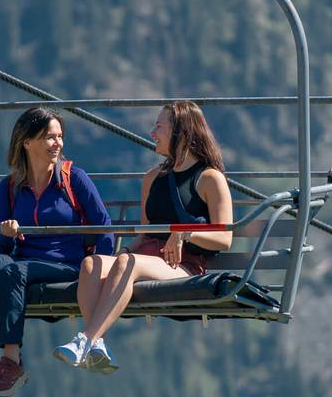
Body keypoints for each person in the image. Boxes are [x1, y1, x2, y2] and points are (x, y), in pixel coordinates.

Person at [0, 107, 113, 397]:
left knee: (13, 270)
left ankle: (11, 361)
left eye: (60, 137)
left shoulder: (73, 179)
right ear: (26, 142)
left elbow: (103, 226)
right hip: (24, 261)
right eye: (49, 137)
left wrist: (101, 273)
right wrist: (8, 235)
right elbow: (3, 249)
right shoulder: (11, 187)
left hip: (67, 264)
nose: (58, 144)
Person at [55, 101, 233, 373]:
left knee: (129, 263)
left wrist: (184, 233)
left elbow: (224, 239)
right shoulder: (152, 178)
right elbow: (146, 232)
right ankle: (97, 346)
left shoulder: (209, 178)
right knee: (92, 264)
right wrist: (122, 253)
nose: (152, 133)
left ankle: (86, 339)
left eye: (159, 126)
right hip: (147, 258)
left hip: (183, 266)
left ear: (181, 132)